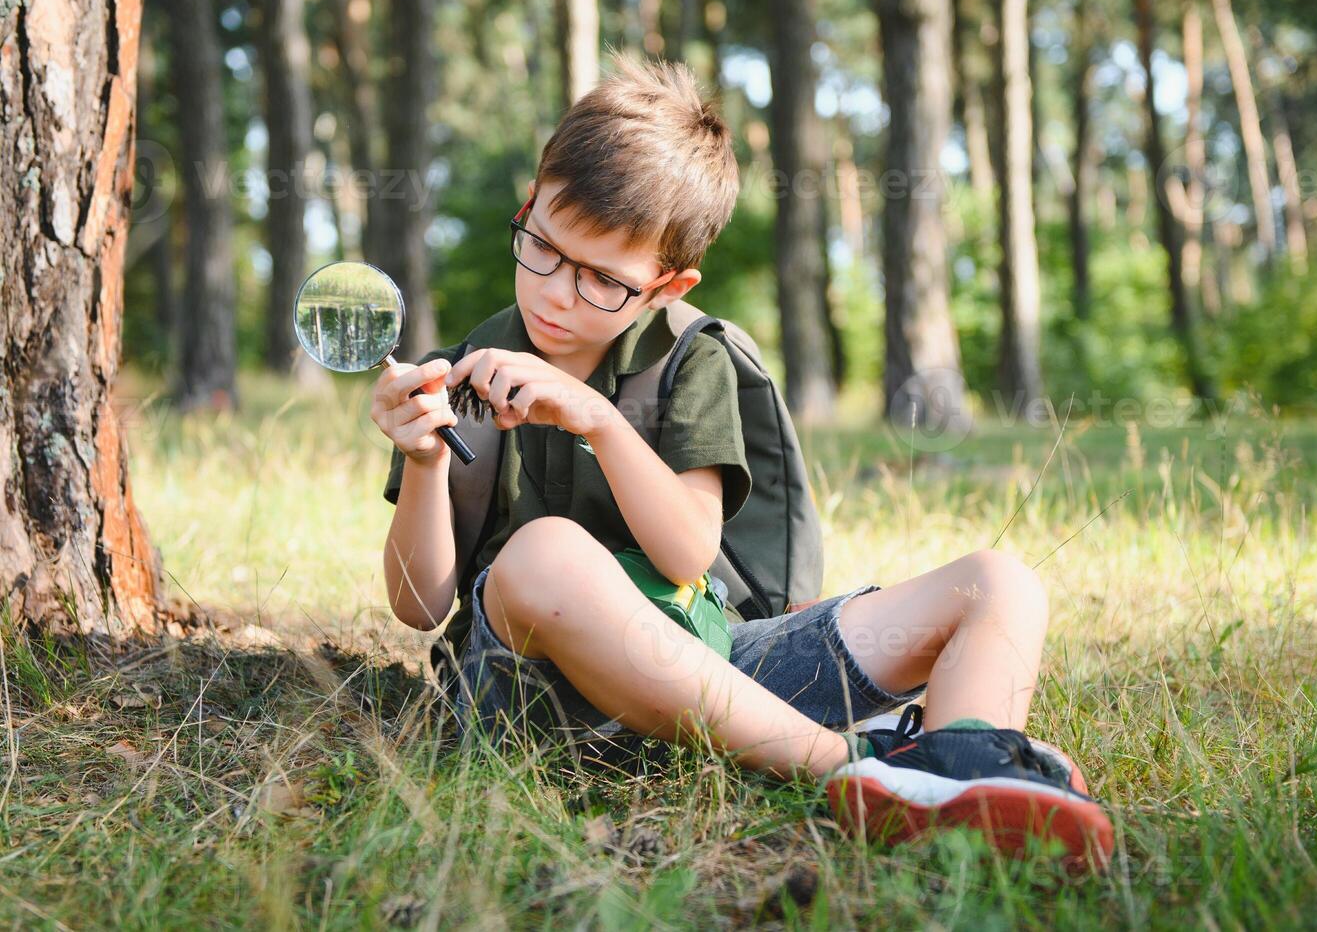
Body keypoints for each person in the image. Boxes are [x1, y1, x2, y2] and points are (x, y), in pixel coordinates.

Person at [375, 51, 1112, 867]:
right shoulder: (466, 372)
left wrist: (599, 420)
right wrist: (423, 461)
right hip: (531, 704)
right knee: (542, 555)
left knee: (999, 581)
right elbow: (417, 604)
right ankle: (867, 772)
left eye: (602, 281)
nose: (556, 292)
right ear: (527, 207)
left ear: (665, 286)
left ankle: (972, 775)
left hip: (709, 672)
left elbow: (688, 553)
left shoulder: (692, 362)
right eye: (542, 248)